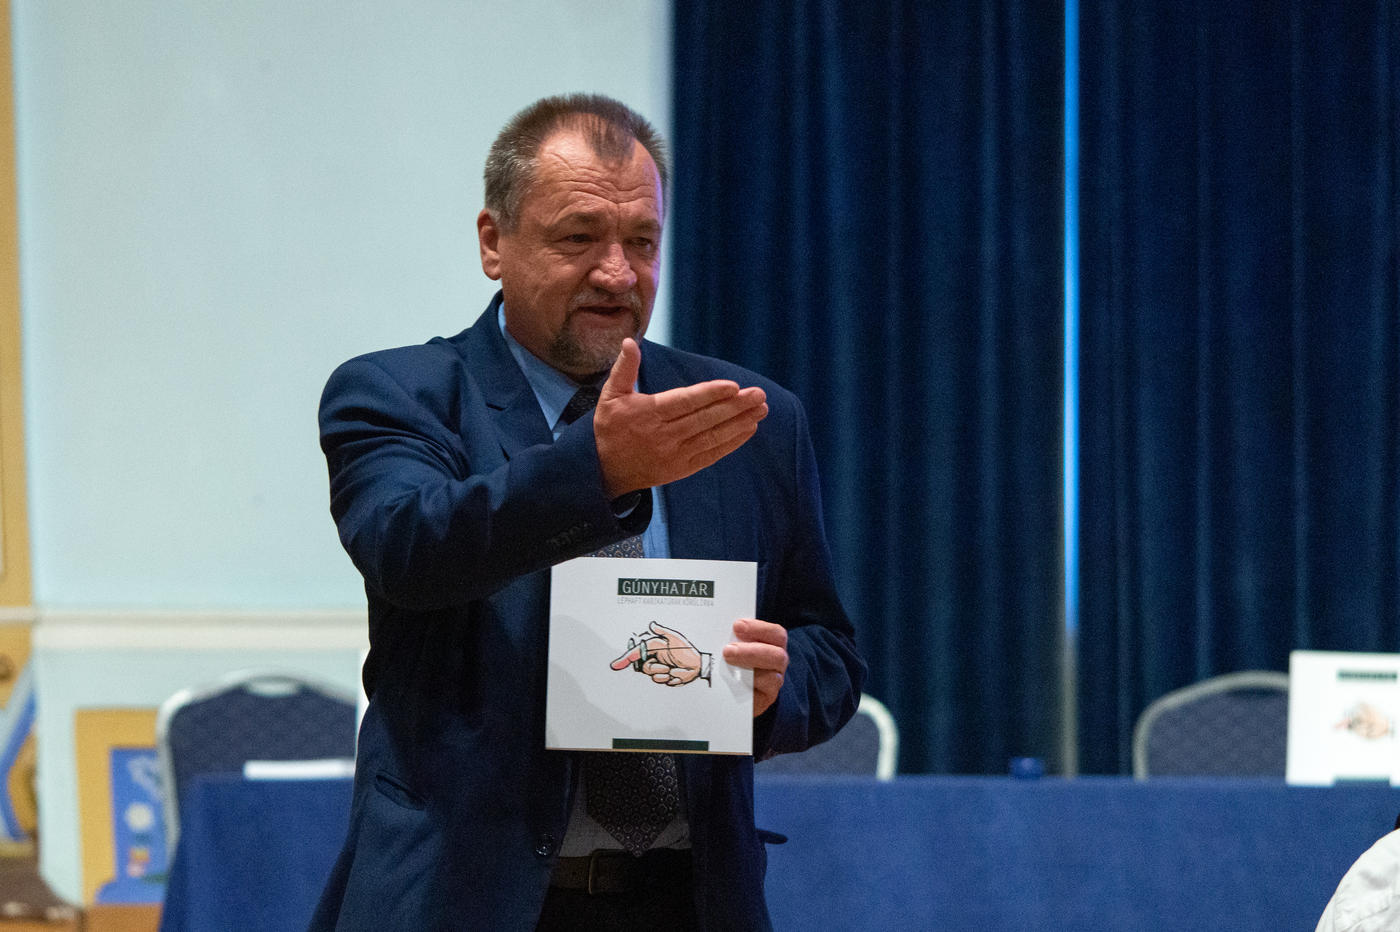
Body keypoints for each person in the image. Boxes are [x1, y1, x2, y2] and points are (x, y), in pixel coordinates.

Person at [310, 92, 865, 931]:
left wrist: (772, 690)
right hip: (466, 901)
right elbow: (410, 549)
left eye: (642, 242)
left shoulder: (742, 418)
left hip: (691, 902)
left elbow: (829, 651)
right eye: (578, 238)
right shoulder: (399, 394)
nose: (617, 273)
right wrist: (597, 473)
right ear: (494, 243)